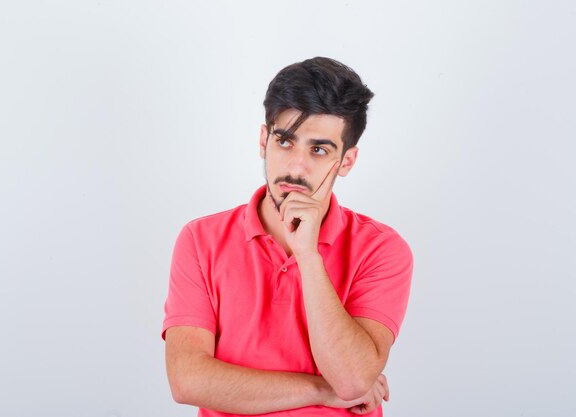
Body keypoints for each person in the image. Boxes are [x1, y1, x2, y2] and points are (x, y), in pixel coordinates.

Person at [161, 57, 413, 416]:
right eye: (285, 141)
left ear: (347, 161)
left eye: (319, 150)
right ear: (264, 140)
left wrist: (309, 257)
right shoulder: (200, 239)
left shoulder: (382, 249)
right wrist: (322, 391)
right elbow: (188, 381)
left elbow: (353, 380)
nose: (296, 166)